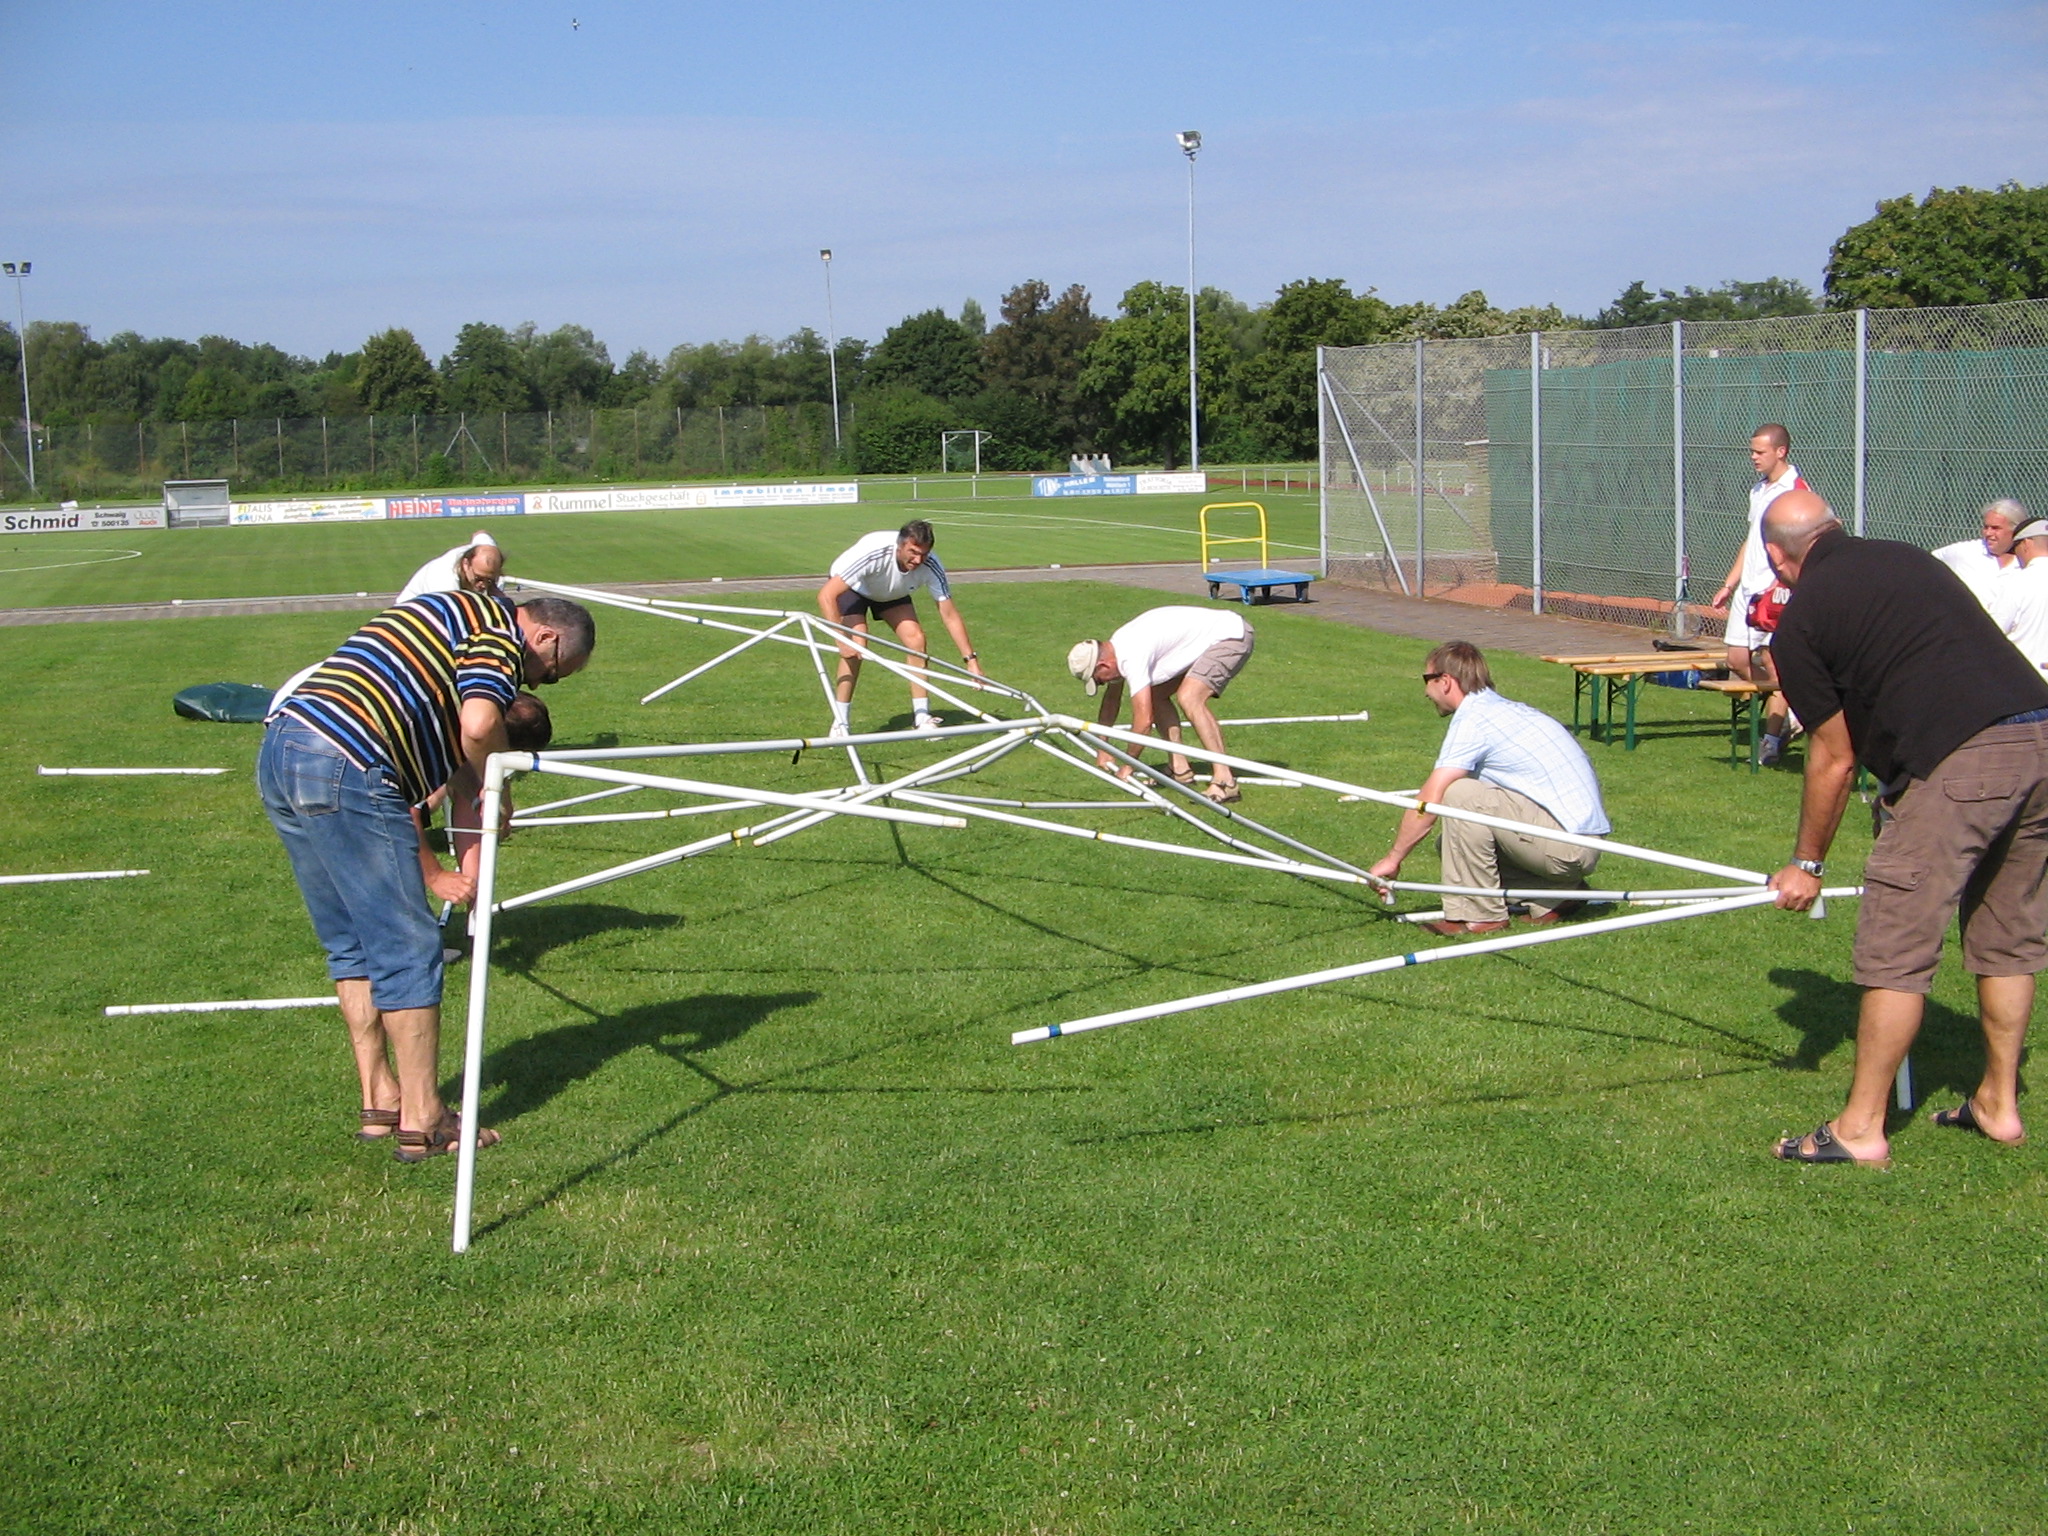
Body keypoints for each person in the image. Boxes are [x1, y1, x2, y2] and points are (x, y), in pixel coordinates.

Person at [1761, 489, 2048, 1165]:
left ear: (1777, 558)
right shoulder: (1908, 559)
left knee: (1896, 939)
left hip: (1964, 758)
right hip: (2040, 735)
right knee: (2008, 934)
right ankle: (1998, 1106)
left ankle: (1861, 1129)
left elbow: (1832, 754)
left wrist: (1807, 864)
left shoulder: (1799, 621)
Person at [257, 590, 595, 1161]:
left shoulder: (452, 614)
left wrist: (479, 799)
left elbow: (458, 758)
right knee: (409, 944)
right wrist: (501, 783)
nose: (533, 686)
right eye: (552, 674)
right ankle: (425, 1118)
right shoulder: (498, 634)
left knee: (353, 943)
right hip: (348, 760)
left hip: (286, 747)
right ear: (547, 638)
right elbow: (482, 722)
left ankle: (381, 1099)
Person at [1368, 640, 1610, 936]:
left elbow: (1430, 799)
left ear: (1445, 682)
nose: (1424, 692)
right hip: (1577, 844)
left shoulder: (1476, 719)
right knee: (1450, 843)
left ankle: (1478, 916)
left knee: (1458, 793)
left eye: (1427, 680)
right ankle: (1556, 896)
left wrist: (1393, 859)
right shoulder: (1500, 709)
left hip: (1568, 846)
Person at [1067, 606, 1255, 803]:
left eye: (1099, 680)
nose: (1103, 683)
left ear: (1103, 665)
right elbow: (1111, 701)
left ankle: (1225, 781)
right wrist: (1103, 746)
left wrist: (1129, 765)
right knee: (1155, 695)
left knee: (1190, 697)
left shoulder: (1132, 655)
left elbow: (1144, 721)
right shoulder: (1116, 649)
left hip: (1231, 636)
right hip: (1205, 640)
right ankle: (1179, 769)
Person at [816, 520, 984, 733]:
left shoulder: (930, 564)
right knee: (856, 648)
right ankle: (840, 723)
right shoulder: (874, 553)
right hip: (854, 587)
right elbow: (826, 596)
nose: (918, 560)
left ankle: (922, 718)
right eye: (913, 552)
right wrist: (841, 639)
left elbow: (949, 615)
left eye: (923, 554)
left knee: (916, 639)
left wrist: (971, 661)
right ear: (900, 545)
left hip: (891, 591)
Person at [1709, 425, 1806, 763]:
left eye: (1759, 452)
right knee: (1736, 660)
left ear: (1781, 452)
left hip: (1773, 590)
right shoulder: (1758, 490)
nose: (1753, 457)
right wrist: (1729, 583)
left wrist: (1786, 585)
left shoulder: (1796, 491)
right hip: (1747, 590)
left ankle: (1771, 739)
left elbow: (1806, 542)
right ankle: (1795, 702)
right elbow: (1752, 539)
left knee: (1773, 663)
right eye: (1751, 451)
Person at [1931, 498, 2024, 612]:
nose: (1988, 533)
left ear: (2015, 530)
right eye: (1986, 527)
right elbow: (1928, 561)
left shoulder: (2027, 561)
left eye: (1996, 528)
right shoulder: (1965, 552)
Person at [1991, 512, 2048, 672]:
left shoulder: (2017, 582)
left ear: (2026, 544)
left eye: (2015, 549)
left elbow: (1994, 631)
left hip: (2026, 679)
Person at [397, 529, 505, 604]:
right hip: (411, 611)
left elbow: (481, 533)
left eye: (489, 580)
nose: (483, 585)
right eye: (479, 578)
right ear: (466, 564)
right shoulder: (445, 581)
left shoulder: (486, 549)